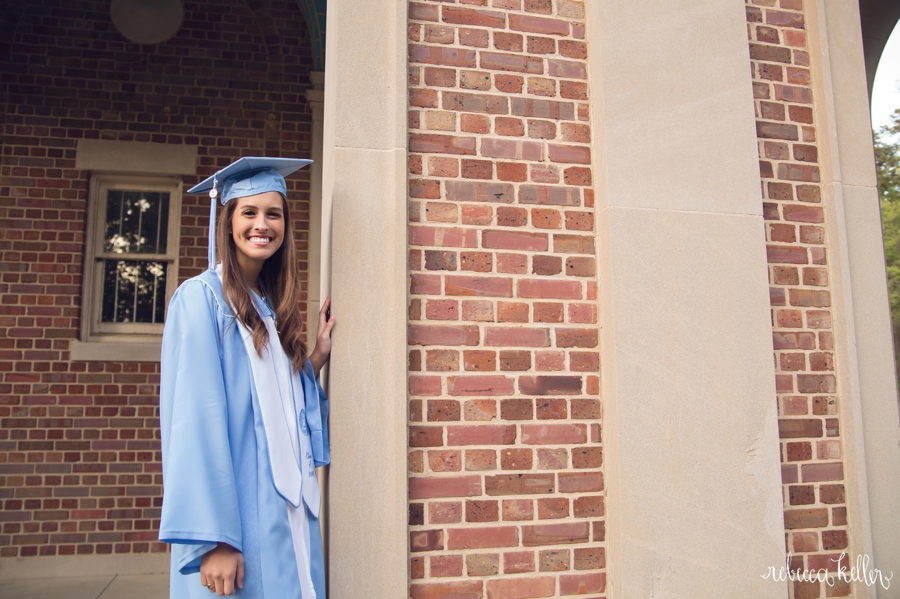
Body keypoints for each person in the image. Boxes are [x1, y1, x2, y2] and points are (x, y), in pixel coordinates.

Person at [158, 157, 334, 598]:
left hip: (286, 512)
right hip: (238, 521)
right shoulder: (201, 300)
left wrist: (315, 358)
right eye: (249, 212)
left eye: (273, 214)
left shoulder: (265, 307)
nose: (262, 224)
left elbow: (274, 399)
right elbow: (193, 422)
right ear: (228, 221)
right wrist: (216, 538)